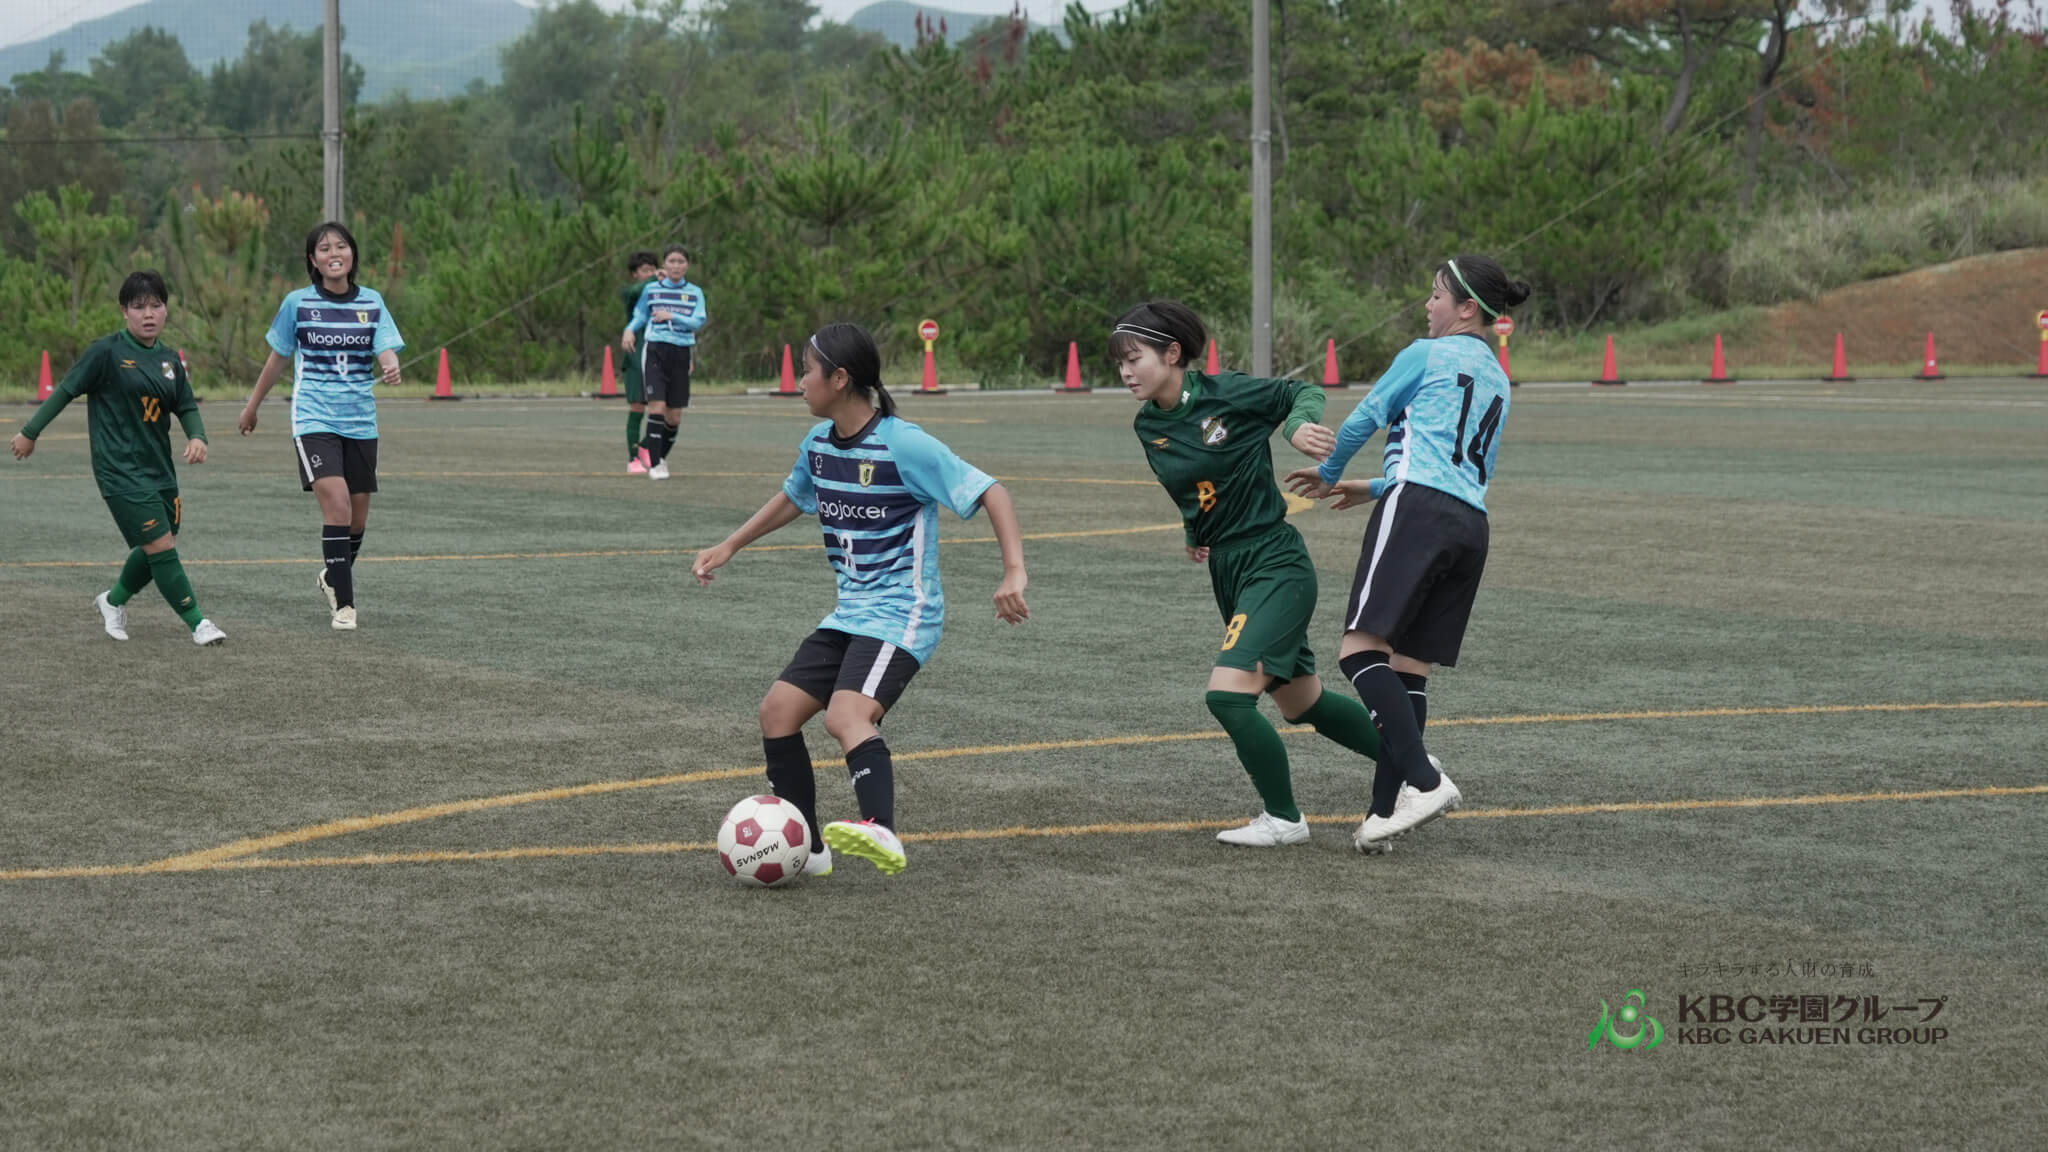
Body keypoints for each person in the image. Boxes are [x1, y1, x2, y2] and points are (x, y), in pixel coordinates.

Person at [692, 323, 1030, 877]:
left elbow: (992, 491)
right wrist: (731, 544)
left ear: (840, 379)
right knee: (777, 712)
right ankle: (809, 850)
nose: (800, 381)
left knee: (846, 715)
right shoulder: (819, 444)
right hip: (850, 613)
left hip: (901, 613)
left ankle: (882, 830)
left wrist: (1013, 571)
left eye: (807, 370)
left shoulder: (903, 444)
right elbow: (794, 497)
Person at [1115, 300, 1392, 849]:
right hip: (1229, 568)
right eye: (1119, 362)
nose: (1125, 371)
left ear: (1172, 354)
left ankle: (1284, 819)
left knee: (1226, 696)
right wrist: (1195, 530)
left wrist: (1297, 426)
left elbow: (1300, 392)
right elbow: (1193, 487)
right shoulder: (1148, 425)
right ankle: (1415, 766)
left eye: (1134, 358)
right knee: (1302, 702)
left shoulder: (1226, 393)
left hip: (1274, 560)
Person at [1285, 254, 1529, 852]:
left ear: (1466, 308)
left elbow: (1363, 420)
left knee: (1358, 652)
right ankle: (1382, 816)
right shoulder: (1499, 377)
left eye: (1436, 294)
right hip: (1469, 526)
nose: (1427, 304)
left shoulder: (1426, 355)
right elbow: (1456, 466)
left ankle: (1426, 781)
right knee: (1408, 670)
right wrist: (1372, 487)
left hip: (1418, 512)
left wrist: (1328, 473)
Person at [10, 270, 225, 647]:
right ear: (124, 311)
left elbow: (186, 405)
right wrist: (30, 432)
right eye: (139, 306)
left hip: (159, 468)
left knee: (161, 542)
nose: (148, 314)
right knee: (161, 545)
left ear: (166, 310)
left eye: (156, 305)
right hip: (119, 470)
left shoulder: (169, 360)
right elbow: (65, 390)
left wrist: (198, 436)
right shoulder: (106, 352)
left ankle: (112, 601)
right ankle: (199, 623)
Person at [237, 221, 404, 631]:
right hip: (314, 418)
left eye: (341, 246)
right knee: (338, 505)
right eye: (325, 248)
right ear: (313, 260)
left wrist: (390, 364)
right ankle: (345, 605)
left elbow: (385, 346)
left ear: (352, 254)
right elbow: (277, 359)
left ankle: (333, 576)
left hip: (360, 422)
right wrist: (252, 406)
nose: (334, 253)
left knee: (357, 520)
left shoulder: (372, 301)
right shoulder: (297, 303)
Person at [619, 244, 705, 481]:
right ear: (665, 265)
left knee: (674, 416)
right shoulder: (652, 289)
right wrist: (629, 330)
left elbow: (698, 321)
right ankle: (655, 464)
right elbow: (640, 315)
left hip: (681, 351)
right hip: (656, 349)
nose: (676, 266)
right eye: (672, 261)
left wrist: (673, 316)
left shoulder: (695, 292)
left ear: (687, 266)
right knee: (656, 407)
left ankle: (661, 456)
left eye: (681, 261)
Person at [619, 250, 659, 473]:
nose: (651, 274)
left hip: (659, 354)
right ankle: (633, 458)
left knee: (664, 407)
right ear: (635, 274)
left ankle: (645, 446)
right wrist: (656, 278)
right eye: (645, 270)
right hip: (636, 355)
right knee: (637, 406)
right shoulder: (630, 292)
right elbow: (637, 291)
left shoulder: (662, 293)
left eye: (653, 269)